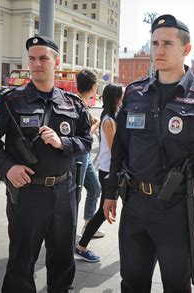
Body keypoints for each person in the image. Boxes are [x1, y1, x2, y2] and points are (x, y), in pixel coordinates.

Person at [103, 14, 194, 292]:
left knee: (177, 285)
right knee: (131, 282)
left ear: (186, 49)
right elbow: (120, 148)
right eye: (154, 43)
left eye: (167, 43)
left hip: (177, 209)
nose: (159, 50)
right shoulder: (135, 93)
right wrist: (109, 192)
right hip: (135, 204)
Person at [0, 36, 93, 293]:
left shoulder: (72, 103)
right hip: (28, 194)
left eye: (43, 58)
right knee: (22, 262)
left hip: (65, 193)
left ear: (56, 62)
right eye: (32, 58)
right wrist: (8, 168)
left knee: (63, 261)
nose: (37, 64)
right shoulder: (11, 101)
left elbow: (87, 140)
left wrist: (63, 142)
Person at [75, 83, 124, 262]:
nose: (123, 100)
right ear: (115, 98)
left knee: (106, 209)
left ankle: (81, 245)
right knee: (104, 211)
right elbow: (114, 150)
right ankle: (81, 246)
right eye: (121, 96)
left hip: (108, 170)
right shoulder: (109, 120)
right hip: (110, 171)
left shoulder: (110, 117)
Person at [74, 69, 104, 238]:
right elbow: (85, 135)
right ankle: (68, 229)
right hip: (79, 155)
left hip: (83, 155)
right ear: (93, 87)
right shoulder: (79, 104)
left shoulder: (79, 103)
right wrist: (97, 124)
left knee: (95, 188)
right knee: (76, 193)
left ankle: (88, 226)